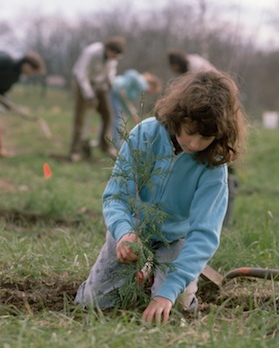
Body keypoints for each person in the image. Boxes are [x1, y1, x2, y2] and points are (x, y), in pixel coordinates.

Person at [74, 70, 248, 325]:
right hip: (133, 232)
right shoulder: (145, 135)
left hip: (176, 239)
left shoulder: (213, 164)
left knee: (176, 310)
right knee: (94, 305)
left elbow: (204, 233)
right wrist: (124, 232)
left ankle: (169, 281)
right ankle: (141, 271)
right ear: (179, 115)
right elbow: (116, 196)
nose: (195, 144)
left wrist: (169, 292)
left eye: (206, 137)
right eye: (191, 131)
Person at [167, 49, 238, 226]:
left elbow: (206, 97)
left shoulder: (196, 68)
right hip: (201, 116)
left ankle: (222, 219)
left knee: (223, 171)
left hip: (215, 113)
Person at [69, 36, 126, 162]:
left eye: (116, 55)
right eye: (113, 53)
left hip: (99, 83)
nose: (113, 57)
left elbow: (111, 70)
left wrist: (110, 81)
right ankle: (76, 149)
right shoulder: (92, 52)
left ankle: (104, 145)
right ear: (108, 49)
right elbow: (81, 74)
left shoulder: (113, 58)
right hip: (81, 82)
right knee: (81, 117)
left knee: (107, 114)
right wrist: (89, 95)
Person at [0, 51, 46, 157]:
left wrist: (9, 105)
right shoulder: (5, 61)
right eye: (33, 71)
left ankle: (0, 150)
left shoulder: (15, 76)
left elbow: (1, 91)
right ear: (28, 65)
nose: (31, 74)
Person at [110, 69, 162, 148]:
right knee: (117, 119)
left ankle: (114, 143)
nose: (151, 93)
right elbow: (131, 74)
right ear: (151, 85)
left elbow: (126, 102)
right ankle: (115, 145)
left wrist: (133, 114)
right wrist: (123, 86)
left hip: (117, 96)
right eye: (153, 90)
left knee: (117, 118)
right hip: (114, 90)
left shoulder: (138, 90)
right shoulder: (142, 82)